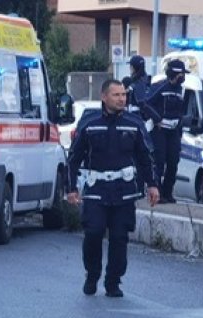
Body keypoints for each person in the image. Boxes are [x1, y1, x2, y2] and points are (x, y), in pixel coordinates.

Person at [65, 79, 160, 298]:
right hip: (96, 189)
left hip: (124, 190)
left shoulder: (134, 123)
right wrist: (71, 188)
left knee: (119, 237)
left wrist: (153, 185)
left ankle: (113, 281)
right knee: (93, 232)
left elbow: (146, 158)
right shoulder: (89, 123)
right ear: (104, 97)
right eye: (116, 95)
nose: (121, 99)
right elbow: (74, 158)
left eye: (124, 95)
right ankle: (92, 274)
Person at [144, 58, 188, 204]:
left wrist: (180, 126)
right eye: (180, 74)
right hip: (160, 130)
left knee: (173, 162)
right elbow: (146, 104)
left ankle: (168, 192)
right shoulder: (159, 87)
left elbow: (181, 110)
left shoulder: (180, 90)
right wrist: (157, 119)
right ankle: (158, 193)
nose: (182, 78)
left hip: (174, 131)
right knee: (159, 161)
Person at [124, 55, 152, 121]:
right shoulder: (147, 80)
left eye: (131, 66)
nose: (129, 68)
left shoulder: (137, 83)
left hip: (136, 118)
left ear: (134, 68)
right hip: (142, 118)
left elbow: (141, 102)